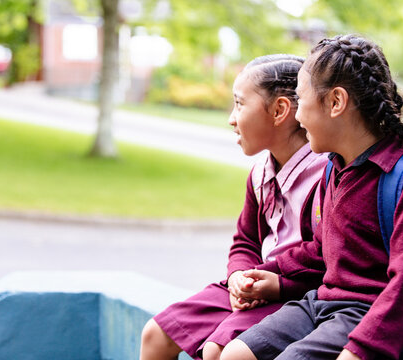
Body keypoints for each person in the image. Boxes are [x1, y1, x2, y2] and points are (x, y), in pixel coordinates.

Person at [220, 35, 403, 360]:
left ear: (336, 102)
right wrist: (275, 277)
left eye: (301, 102)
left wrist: (361, 349)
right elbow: (321, 250)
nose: (297, 117)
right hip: (322, 303)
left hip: (367, 315)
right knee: (235, 354)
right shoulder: (335, 169)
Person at [139, 54, 329, 360]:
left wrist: (265, 281)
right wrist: (240, 276)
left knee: (218, 351)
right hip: (251, 286)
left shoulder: (324, 177)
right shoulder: (260, 174)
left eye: (239, 104)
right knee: (155, 334)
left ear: (279, 110)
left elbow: (324, 255)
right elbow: (246, 240)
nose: (231, 117)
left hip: (294, 293)